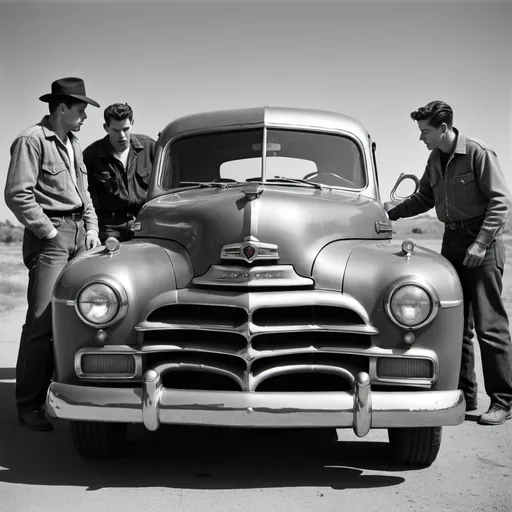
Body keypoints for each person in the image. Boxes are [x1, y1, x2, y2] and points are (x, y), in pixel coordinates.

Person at [385, 100, 512, 425]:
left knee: (490, 326)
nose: (421, 138)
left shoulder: (477, 153)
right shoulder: (435, 158)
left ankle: (503, 400)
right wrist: (390, 211)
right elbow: (424, 197)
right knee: (459, 324)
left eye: (425, 131)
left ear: (443, 129)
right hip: (452, 241)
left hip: (481, 241)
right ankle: (465, 395)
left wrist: (481, 243)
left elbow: (501, 201)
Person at [4, 77, 101, 431]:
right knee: (41, 323)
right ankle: (27, 405)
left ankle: (58, 396)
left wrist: (91, 229)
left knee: (78, 318)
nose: (85, 117)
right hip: (53, 238)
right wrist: (49, 233)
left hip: (79, 235)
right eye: (80, 110)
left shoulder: (74, 143)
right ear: (62, 108)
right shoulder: (32, 141)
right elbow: (18, 194)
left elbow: (84, 195)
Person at [83, 103, 155, 242]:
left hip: (144, 222)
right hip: (109, 227)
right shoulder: (91, 155)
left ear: (132, 123)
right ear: (106, 128)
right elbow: (85, 196)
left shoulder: (150, 147)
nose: (121, 135)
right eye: (116, 130)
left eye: (126, 129)